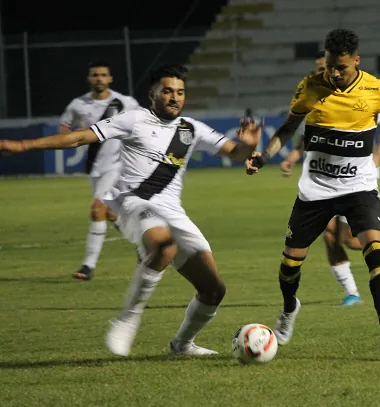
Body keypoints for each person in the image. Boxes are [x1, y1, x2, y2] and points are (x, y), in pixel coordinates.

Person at [0, 64, 262, 356]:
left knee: (214, 290)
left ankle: (181, 345)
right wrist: (24, 145)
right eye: (167, 91)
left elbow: (237, 152)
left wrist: (248, 145)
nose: (175, 97)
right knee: (164, 246)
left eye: (180, 92)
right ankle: (128, 317)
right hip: (133, 202)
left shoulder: (191, 128)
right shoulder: (134, 119)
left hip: (173, 212)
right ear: (152, 94)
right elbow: (78, 137)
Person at [245, 29, 380, 355]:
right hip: (316, 190)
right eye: (330, 67)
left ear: (356, 60)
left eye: (341, 67)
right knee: (290, 264)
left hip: (359, 187)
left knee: (372, 248)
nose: (334, 73)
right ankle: (289, 307)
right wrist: (264, 156)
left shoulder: (377, 89)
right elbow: (289, 127)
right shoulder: (311, 86)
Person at [280, 54, 380, 307]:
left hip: (354, 177)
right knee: (329, 236)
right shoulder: (315, 94)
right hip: (324, 180)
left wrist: (378, 155)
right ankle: (352, 292)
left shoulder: (360, 95)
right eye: (322, 68)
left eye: (330, 68)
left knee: (349, 239)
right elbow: (307, 137)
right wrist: (292, 158)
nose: (327, 73)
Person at [61, 60, 139, 281]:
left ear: (110, 79)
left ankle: (88, 266)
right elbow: (64, 126)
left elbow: (145, 122)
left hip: (119, 165)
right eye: (95, 75)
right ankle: (143, 243)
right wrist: (69, 138)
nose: (99, 78)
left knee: (97, 208)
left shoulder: (125, 102)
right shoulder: (78, 105)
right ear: (89, 79)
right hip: (96, 167)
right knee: (109, 213)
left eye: (103, 75)